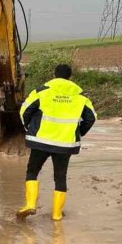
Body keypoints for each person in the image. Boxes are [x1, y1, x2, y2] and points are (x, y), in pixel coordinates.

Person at [17, 64, 97, 221]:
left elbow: (24, 111)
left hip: (40, 140)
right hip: (65, 143)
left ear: (54, 75)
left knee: (32, 172)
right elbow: (91, 118)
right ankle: (56, 214)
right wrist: (78, 132)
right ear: (70, 77)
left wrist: (30, 128)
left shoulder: (42, 91)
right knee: (60, 177)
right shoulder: (80, 96)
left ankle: (30, 204)